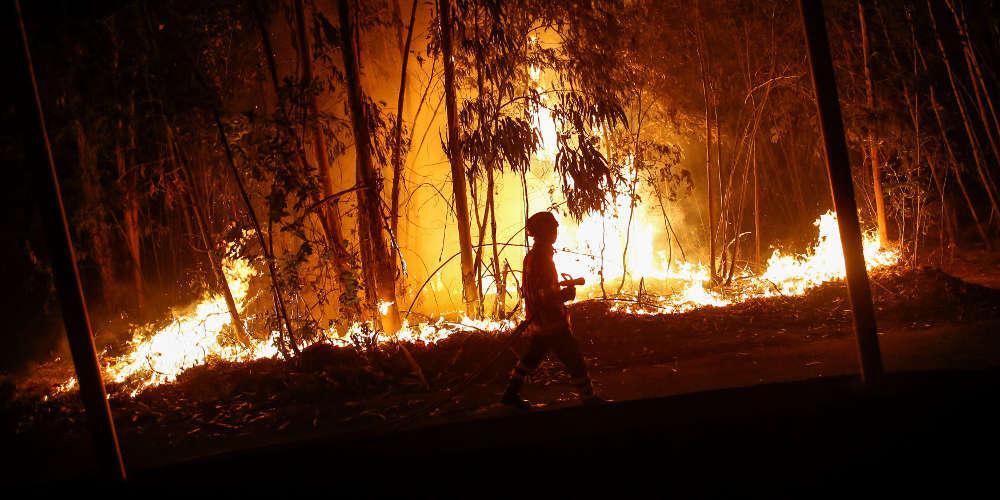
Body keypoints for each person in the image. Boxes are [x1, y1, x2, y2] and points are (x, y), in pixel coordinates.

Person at [501, 211, 606, 409]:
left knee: (531, 357)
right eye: (552, 228)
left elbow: (535, 290)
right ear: (544, 232)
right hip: (551, 320)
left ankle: (510, 394)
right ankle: (589, 398)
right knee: (574, 358)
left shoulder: (532, 256)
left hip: (538, 319)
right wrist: (565, 294)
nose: (556, 231)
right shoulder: (542, 258)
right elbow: (544, 293)